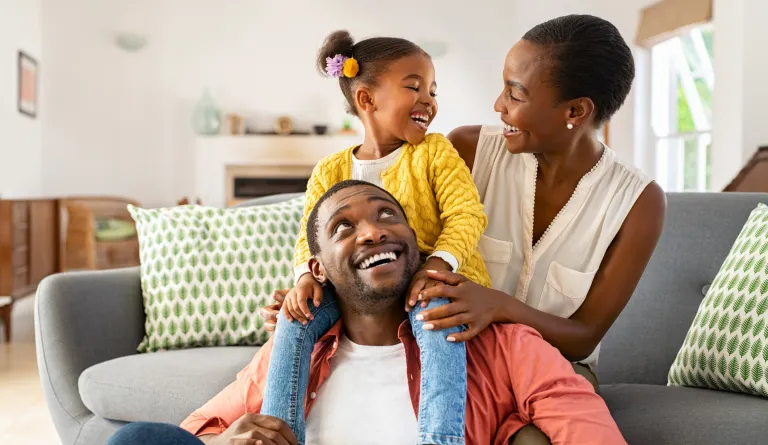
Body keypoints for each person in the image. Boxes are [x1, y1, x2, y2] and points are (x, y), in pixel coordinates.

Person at [262, 14, 666, 444]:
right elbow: (384, 241)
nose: (498, 104)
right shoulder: (468, 149)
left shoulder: (638, 203)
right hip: (456, 350)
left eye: (515, 93)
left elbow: (584, 337)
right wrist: (320, 283)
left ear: (575, 111)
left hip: (555, 364)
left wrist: (496, 306)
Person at [106, 180, 626, 445]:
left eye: (387, 217)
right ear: (317, 269)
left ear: (416, 245)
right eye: (344, 227)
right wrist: (226, 439)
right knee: (136, 440)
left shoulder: (503, 345)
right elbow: (195, 429)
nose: (374, 232)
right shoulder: (293, 354)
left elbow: (588, 431)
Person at [261, 31, 491, 445]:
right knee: (293, 320)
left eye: (433, 90)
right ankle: (278, 434)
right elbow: (309, 236)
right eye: (414, 87)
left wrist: (438, 264)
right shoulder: (330, 170)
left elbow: (466, 213)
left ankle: (441, 438)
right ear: (367, 99)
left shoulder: (434, 152)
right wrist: (304, 278)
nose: (429, 100)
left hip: (430, 280)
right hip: (356, 292)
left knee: (435, 313)